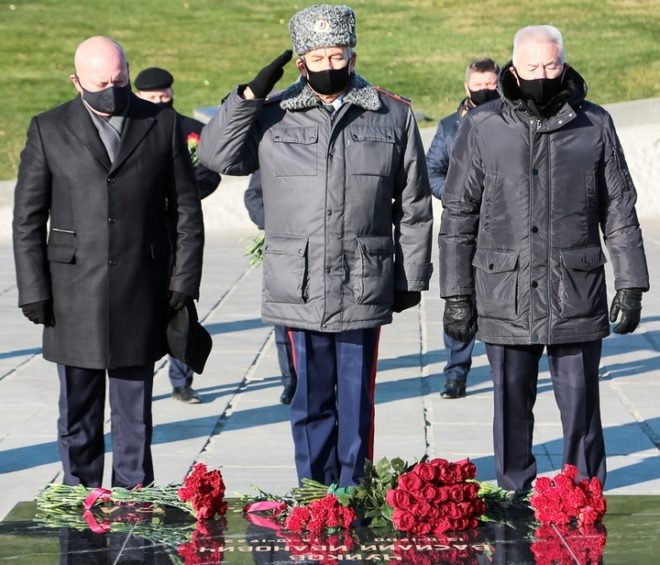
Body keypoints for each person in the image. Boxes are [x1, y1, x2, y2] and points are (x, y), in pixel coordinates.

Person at [199, 4, 433, 487]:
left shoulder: (391, 114)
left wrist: (410, 276)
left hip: (362, 279)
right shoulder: (273, 115)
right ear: (302, 62)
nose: (330, 66)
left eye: (338, 55)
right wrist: (248, 96)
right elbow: (216, 155)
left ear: (353, 55)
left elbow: (413, 204)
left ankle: (354, 492)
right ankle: (315, 494)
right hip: (299, 282)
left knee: (356, 398)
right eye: (319, 57)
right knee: (310, 400)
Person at [438, 25, 649, 494]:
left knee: (581, 404)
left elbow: (619, 208)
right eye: (531, 67)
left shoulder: (594, 124)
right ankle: (514, 490)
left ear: (564, 64)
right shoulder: (482, 125)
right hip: (504, 290)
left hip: (574, 288)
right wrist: (455, 295)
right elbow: (458, 214)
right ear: (513, 69)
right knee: (511, 404)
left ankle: (584, 490)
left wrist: (631, 283)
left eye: (550, 66)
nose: (541, 76)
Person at [12, 36, 204, 488]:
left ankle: (134, 496)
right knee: (78, 410)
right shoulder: (48, 128)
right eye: (101, 83)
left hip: (142, 285)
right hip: (73, 292)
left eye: (120, 80)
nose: (112, 91)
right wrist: (33, 289)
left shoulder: (161, 123)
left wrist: (183, 279)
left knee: (134, 410)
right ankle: (79, 495)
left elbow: (186, 209)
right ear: (76, 81)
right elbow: (27, 219)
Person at [135, 66, 221, 404]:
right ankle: (137, 383)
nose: (159, 101)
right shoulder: (128, 131)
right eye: (151, 97)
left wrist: (180, 194)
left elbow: (210, 172)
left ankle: (181, 382)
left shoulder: (191, 130)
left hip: (178, 235)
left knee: (180, 309)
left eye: (164, 95)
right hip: (137, 235)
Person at [426, 57, 499, 400]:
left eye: (491, 85)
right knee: (459, 299)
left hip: (501, 226)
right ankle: (456, 373)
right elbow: (432, 172)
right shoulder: (448, 127)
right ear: (466, 86)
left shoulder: (512, 122)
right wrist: (457, 196)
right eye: (478, 85)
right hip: (463, 226)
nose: (485, 90)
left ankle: (504, 371)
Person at [244, 170, 298, 405]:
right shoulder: (273, 149)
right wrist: (275, 225)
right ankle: (290, 380)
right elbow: (253, 196)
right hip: (283, 248)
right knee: (283, 319)